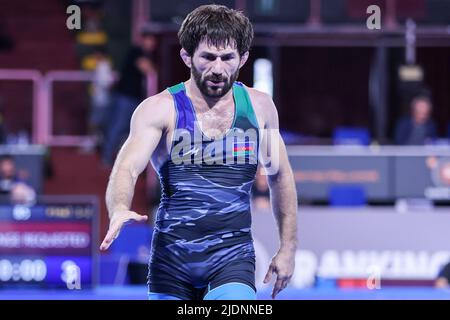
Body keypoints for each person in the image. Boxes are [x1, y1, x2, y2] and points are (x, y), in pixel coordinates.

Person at [100, 5, 298, 300]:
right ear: (186, 56)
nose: (218, 68)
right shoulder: (159, 109)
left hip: (232, 258)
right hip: (172, 262)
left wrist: (288, 247)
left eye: (228, 58)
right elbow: (127, 167)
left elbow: (279, 176)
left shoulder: (259, 108)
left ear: (243, 58)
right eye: (207, 57)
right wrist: (118, 207)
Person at [101, 27, 158, 165]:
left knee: (128, 128)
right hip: (125, 97)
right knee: (118, 126)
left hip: (131, 98)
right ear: (144, 40)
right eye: (150, 40)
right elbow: (148, 69)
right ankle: (106, 157)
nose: (153, 43)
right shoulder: (136, 51)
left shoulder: (143, 53)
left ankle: (115, 156)